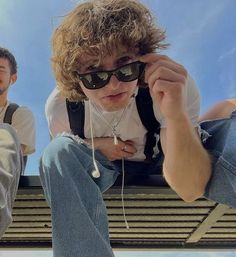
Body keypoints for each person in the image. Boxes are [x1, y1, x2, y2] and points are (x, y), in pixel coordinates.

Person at [40, 1, 236, 256]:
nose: (112, 85)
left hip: (163, 157)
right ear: (76, 80)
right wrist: (97, 145)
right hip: (105, 168)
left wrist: (175, 115)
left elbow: (190, 188)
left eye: (126, 67)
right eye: (94, 74)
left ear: (145, 61)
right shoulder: (61, 107)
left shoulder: (170, 85)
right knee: (58, 151)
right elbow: (67, 171)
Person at [0, 47, 35, 238]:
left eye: (0, 69)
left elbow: (15, 154)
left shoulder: (19, 114)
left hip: (6, 179)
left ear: (13, 78)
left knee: (5, 132)